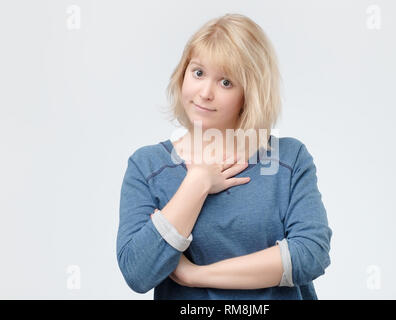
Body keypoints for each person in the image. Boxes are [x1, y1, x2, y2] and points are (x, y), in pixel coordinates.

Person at [116, 13, 332, 300]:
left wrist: (195, 276)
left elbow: (311, 254)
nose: (205, 93)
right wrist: (198, 181)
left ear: (249, 94)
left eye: (226, 82)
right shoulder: (148, 167)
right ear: (183, 74)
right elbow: (137, 272)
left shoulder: (288, 160)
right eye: (198, 73)